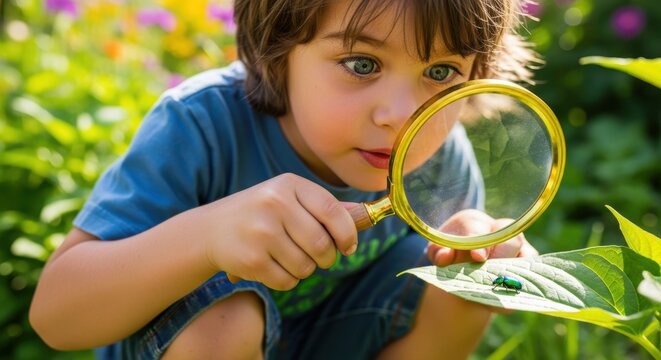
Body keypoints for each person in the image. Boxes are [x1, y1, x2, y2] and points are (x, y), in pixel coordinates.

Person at [30, 0, 540, 358]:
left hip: (335, 338)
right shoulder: (200, 125)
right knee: (224, 322)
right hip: (192, 347)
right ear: (278, 48)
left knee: (463, 282)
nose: (401, 115)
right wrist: (206, 237)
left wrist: (482, 248)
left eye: (441, 73)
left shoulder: (441, 156)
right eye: (361, 63)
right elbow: (56, 317)